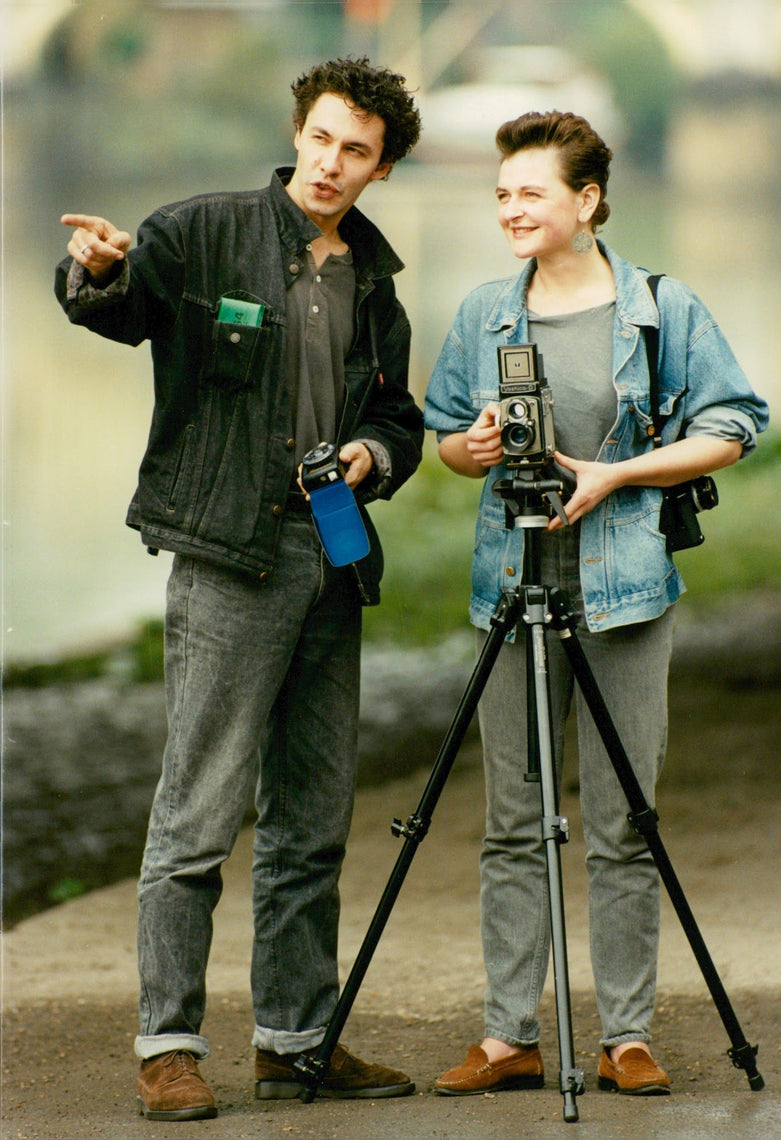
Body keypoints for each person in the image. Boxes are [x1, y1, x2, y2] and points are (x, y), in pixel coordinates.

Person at [55, 57, 423, 1122]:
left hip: (332, 562)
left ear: (380, 168)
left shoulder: (377, 278)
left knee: (311, 819)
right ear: (296, 134)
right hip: (227, 555)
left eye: (354, 151)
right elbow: (116, 310)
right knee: (198, 815)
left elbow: (395, 418)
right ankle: (168, 1048)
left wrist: (369, 453)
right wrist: (99, 268)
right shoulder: (199, 232)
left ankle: (294, 1042)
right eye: (319, 139)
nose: (329, 163)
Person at [424, 110, 768, 1098]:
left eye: (529, 192)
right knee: (510, 819)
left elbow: (735, 422)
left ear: (586, 199)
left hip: (625, 585)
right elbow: (446, 438)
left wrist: (617, 475)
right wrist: (472, 449)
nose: (509, 209)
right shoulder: (485, 312)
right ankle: (506, 1037)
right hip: (512, 580)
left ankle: (624, 1033)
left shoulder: (660, 308)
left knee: (624, 818)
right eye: (500, 194)